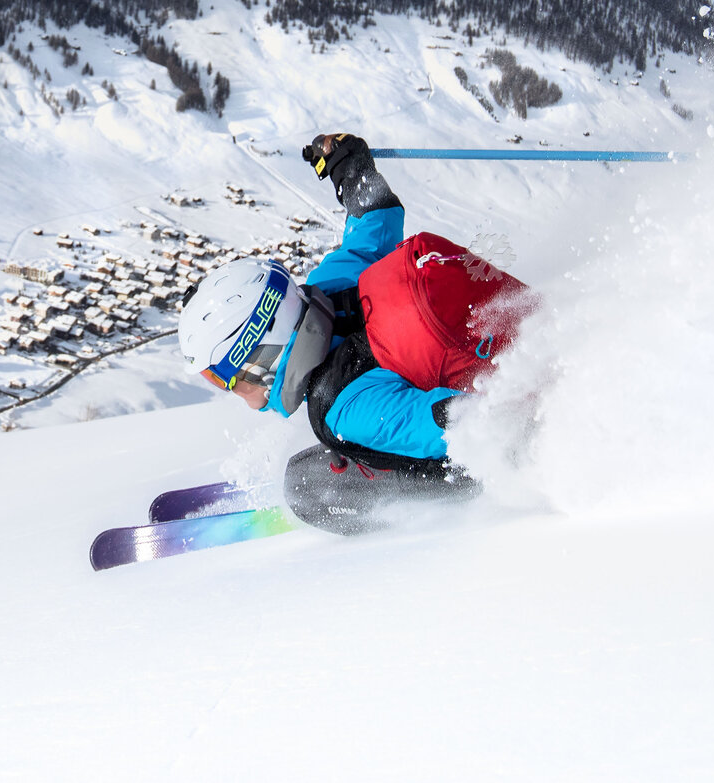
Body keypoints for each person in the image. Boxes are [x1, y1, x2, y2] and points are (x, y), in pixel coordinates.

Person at [176, 132, 520, 532]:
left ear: (260, 355)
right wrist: (348, 166)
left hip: (496, 436)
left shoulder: (344, 408)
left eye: (227, 380)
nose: (236, 394)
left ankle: (393, 497)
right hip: (506, 342)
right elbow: (374, 215)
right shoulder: (336, 287)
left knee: (304, 483)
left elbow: (460, 426)